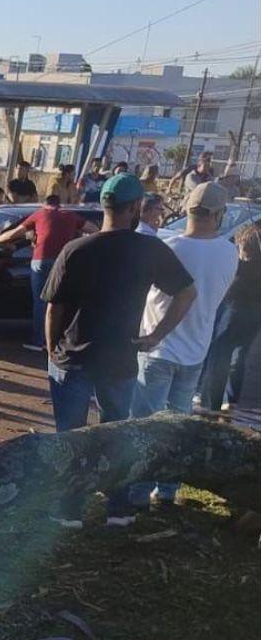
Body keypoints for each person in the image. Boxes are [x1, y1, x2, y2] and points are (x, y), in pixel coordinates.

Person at [41, 173, 196, 528]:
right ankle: (119, 509)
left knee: (72, 438)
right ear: (136, 207)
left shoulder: (77, 249)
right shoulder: (149, 249)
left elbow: (54, 308)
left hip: (73, 357)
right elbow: (187, 292)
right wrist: (156, 335)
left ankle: (69, 510)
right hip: (120, 359)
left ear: (104, 206)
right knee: (117, 435)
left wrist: (52, 349)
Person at [129, 181, 238, 507]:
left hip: (157, 347)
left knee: (144, 426)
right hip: (195, 351)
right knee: (178, 426)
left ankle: (136, 494)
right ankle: (166, 489)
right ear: (218, 214)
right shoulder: (229, 252)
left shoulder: (168, 247)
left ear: (187, 210)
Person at [0, 194, 97, 351]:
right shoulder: (70, 216)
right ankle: (58, 339)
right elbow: (94, 230)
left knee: (41, 301)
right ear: (59, 205)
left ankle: (39, 340)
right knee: (59, 300)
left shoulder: (39, 214)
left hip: (41, 261)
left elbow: (13, 234)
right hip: (63, 263)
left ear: (45, 205)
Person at [198, 222, 260, 412]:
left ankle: (212, 401)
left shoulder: (239, 266)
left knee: (220, 355)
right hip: (256, 314)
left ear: (243, 245)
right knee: (240, 356)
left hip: (234, 312)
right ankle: (232, 398)